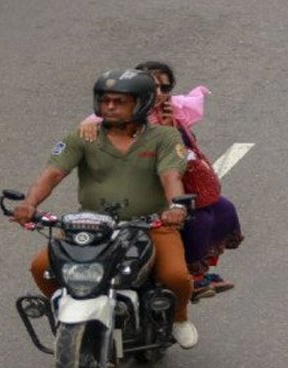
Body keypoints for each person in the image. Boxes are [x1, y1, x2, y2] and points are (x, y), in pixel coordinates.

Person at [14, 69, 198, 349]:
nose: (109, 107)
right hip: (90, 225)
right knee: (41, 267)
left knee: (175, 276)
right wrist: (29, 204)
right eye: (105, 100)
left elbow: (170, 176)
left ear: (142, 104)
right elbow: (52, 173)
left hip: (150, 225)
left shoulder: (164, 138)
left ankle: (180, 319)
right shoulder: (83, 136)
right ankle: (69, 322)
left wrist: (175, 208)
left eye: (119, 101)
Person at [79, 61, 244, 302]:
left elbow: (180, 152)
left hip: (171, 182)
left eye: (165, 88)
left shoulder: (171, 112)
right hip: (135, 191)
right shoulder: (115, 116)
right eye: (152, 86)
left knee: (220, 209)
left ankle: (192, 277)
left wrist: (171, 129)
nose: (159, 94)